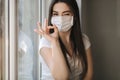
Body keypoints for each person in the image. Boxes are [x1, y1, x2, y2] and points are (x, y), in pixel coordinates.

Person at [34, 0, 93, 80]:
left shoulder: (84, 40)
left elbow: (88, 75)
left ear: (74, 16)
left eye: (66, 14)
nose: (60, 18)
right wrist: (55, 42)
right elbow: (62, 77)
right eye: (56, 14)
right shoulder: (46, 43)